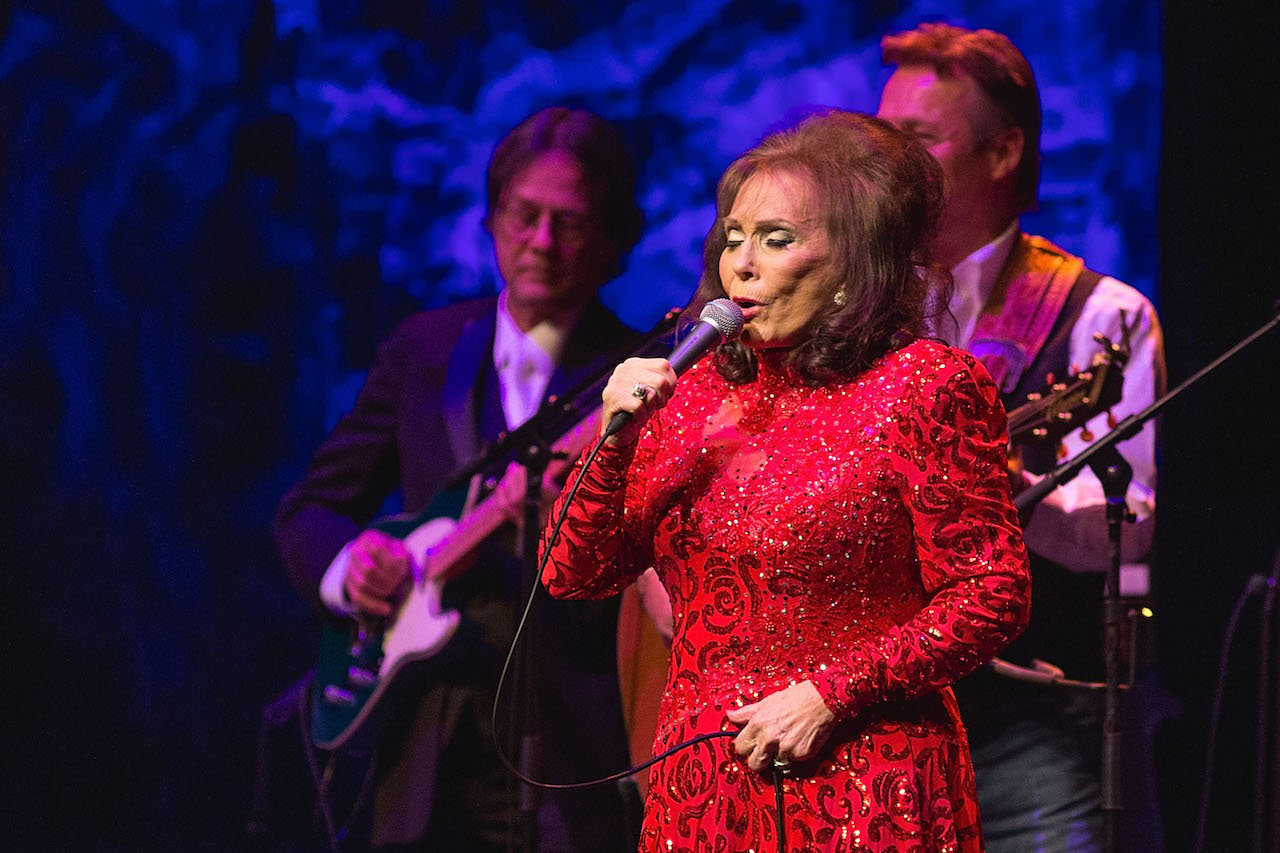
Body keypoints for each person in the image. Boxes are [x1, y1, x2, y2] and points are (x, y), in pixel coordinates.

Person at [538, 109, 1032, 853]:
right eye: (733, 237)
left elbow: (991, 593)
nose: (741, 262)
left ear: (853, 263)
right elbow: (570, 574)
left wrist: (830, 695)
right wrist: (612, 443)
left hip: (863, 781)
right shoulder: (693, 395)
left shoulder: (923, 386)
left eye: (777, 239)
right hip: (701, 790)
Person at [273, 106, 649, 851]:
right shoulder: (425, 349)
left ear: (612, 242)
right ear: (491, 219)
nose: (540, 242)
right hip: (418, 746)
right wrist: (355, 569)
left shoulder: (636, 374)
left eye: (569, 223)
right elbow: (312, 507)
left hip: (570, 749)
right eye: (523, 215)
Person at [876, 23, 1167, 852]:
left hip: (1025, 721)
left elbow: (1133, 529)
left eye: (918, 139)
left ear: (1003, 153)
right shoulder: (850, 305)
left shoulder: (1101, 316)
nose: (887, 163)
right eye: (881, 135)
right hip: (862, 714)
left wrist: (1003, 485)